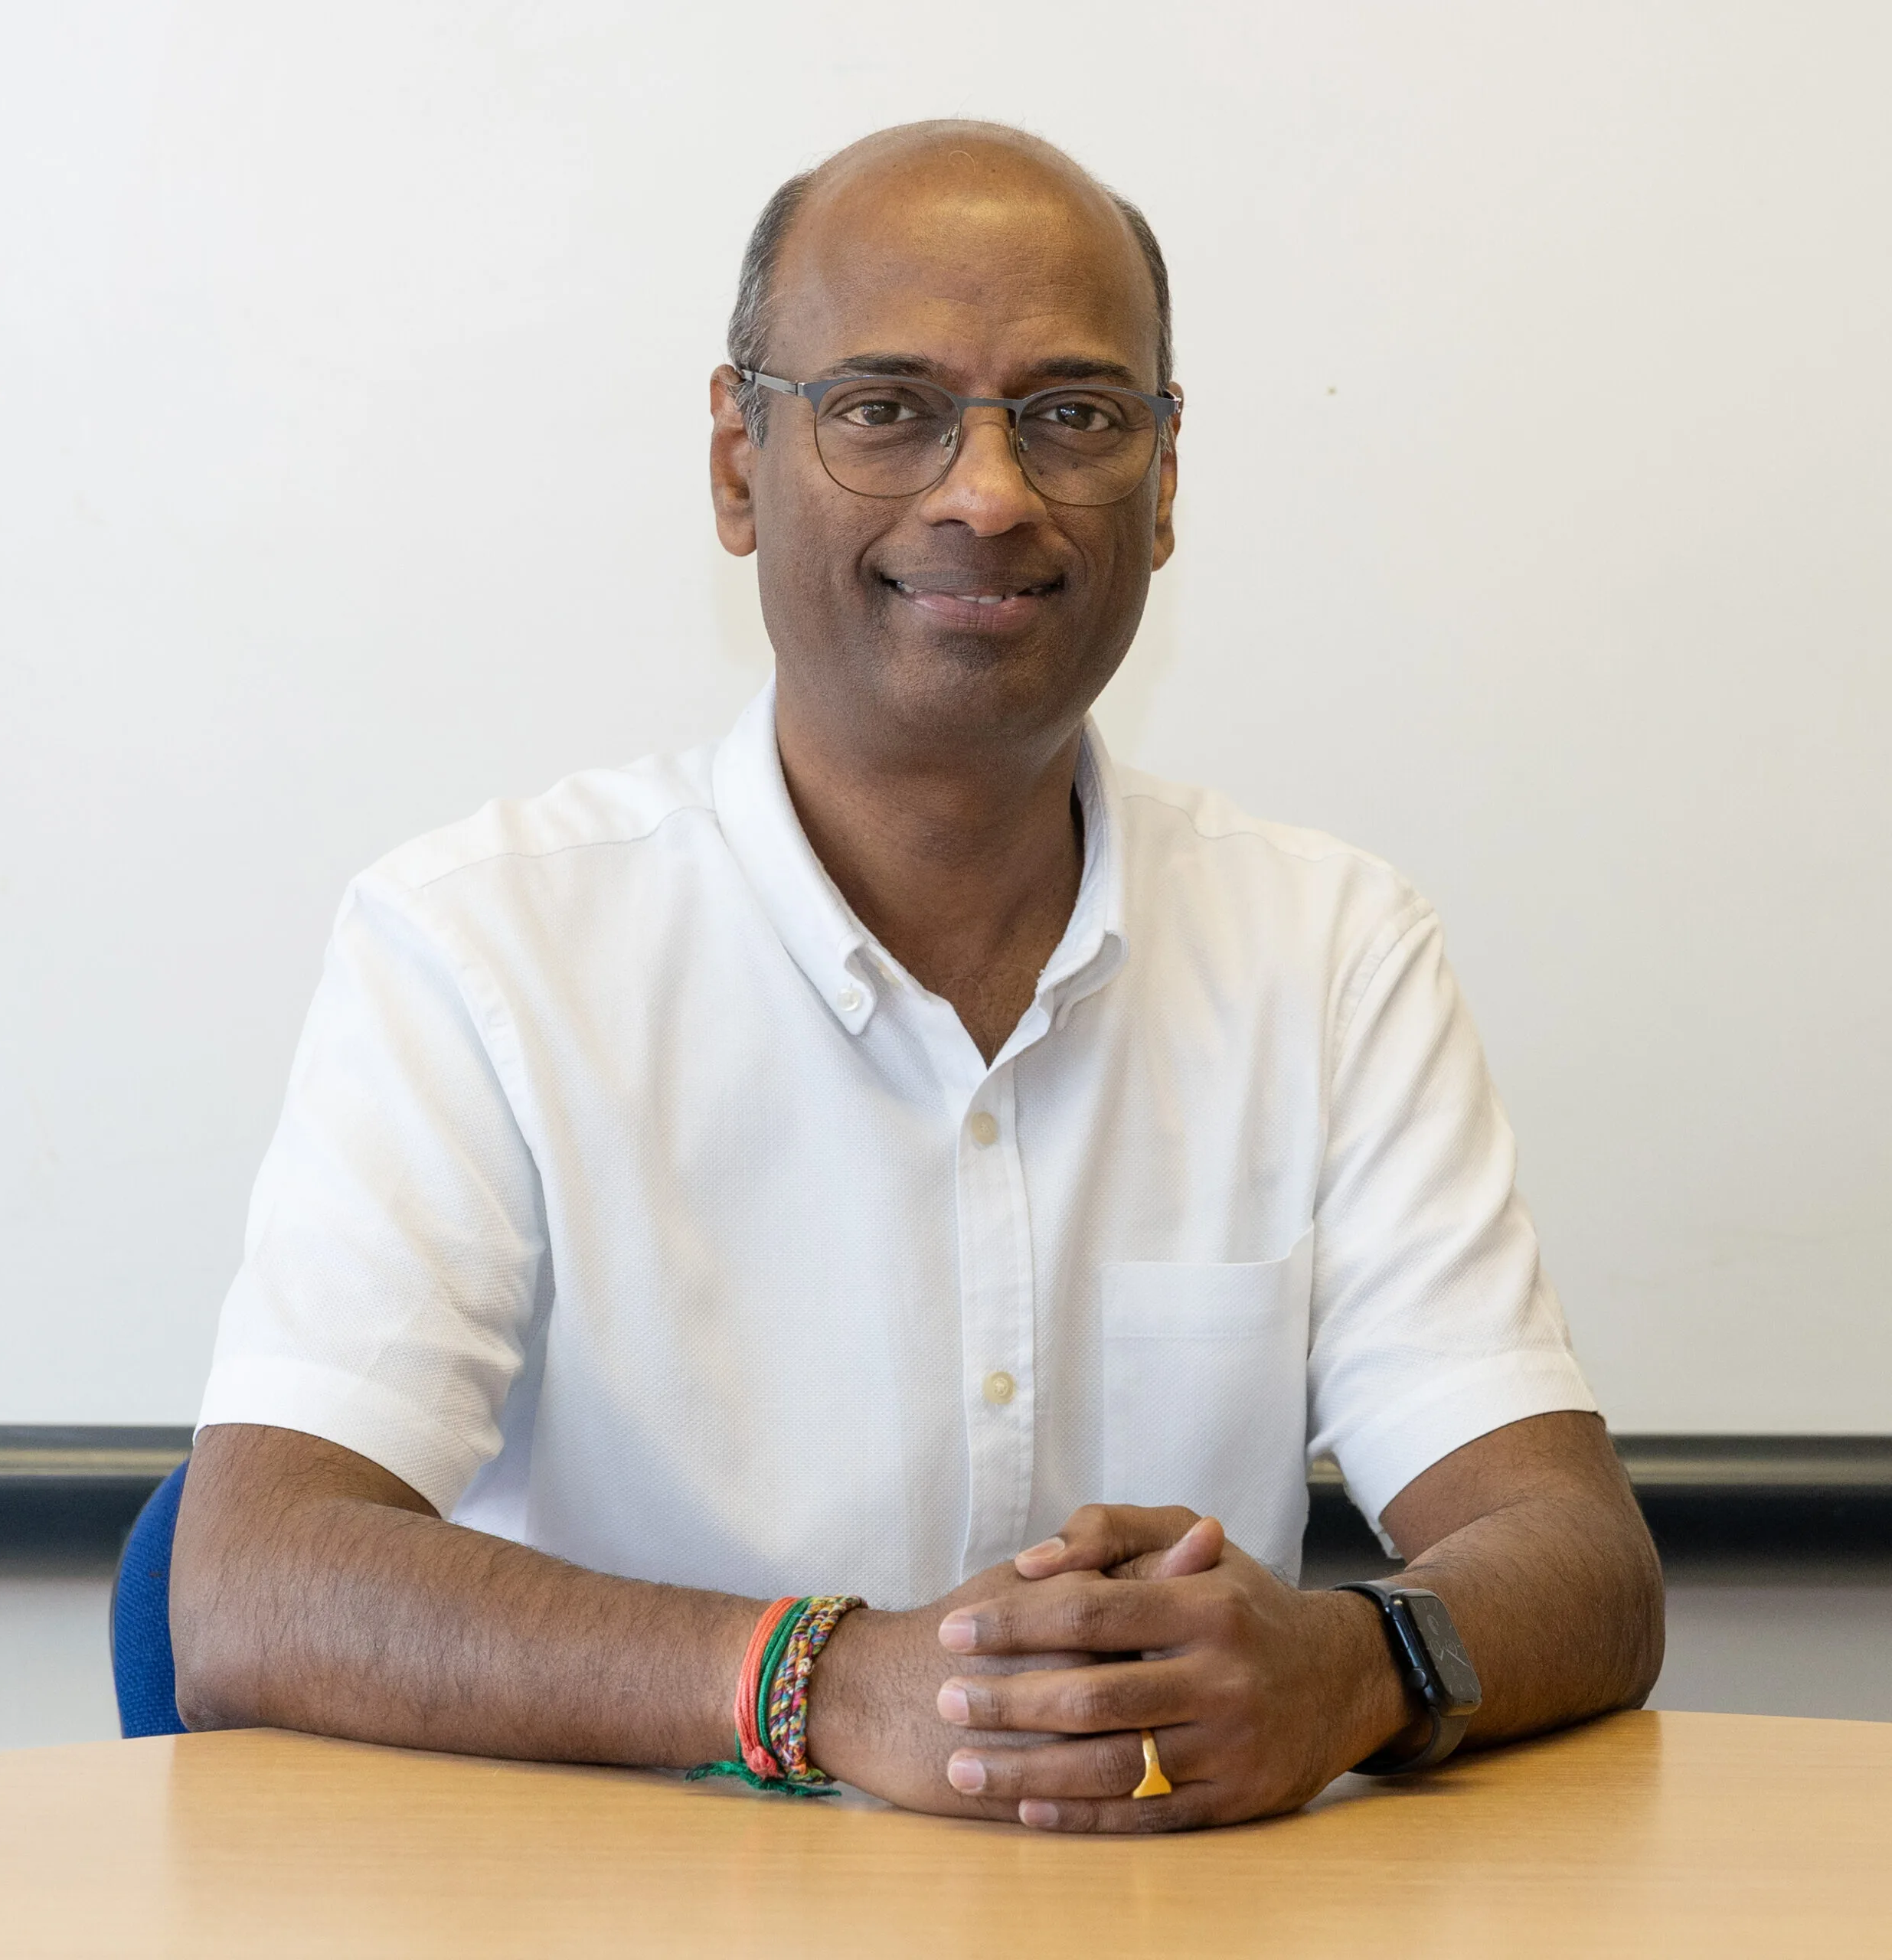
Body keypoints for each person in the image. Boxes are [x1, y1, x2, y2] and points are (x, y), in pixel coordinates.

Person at [170, 119, 1662, 1833]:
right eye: (885, 409)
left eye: (1073, 415)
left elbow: (1577, 1556)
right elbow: (255, 1577)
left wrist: (1354, 1663)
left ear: (1165, 482)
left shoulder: (1329, 948)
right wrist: (826, 1678)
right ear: (738, 465)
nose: (988, 493)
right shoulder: (480, 944)